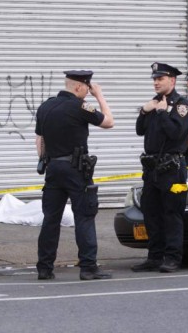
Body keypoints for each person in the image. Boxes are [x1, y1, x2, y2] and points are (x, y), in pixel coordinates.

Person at [34, 70, 114, 281]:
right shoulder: (79, 106)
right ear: (78, 87)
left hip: (53, 169)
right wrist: (100, 96)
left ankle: (44, 267)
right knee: (84, 217)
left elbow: (39, 140)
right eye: (87, 89)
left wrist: (47, 161)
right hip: (76, 170)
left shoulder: (45, 106)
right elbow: (108, 122)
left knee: (50, 220)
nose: (88, 93)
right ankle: (88, 267)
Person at [132, 62, 188, 273]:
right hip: (152, 170)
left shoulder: (181, 105)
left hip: (173, 170)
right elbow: (140, 130)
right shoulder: (154, 104)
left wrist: (161, 113)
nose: (156, 82)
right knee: (151, 213)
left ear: (172, 80)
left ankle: (173, 257)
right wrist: (144, 110)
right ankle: (154, 257)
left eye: (160, 79)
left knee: (172, 213)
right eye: (154, 79)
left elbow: (175, 133)